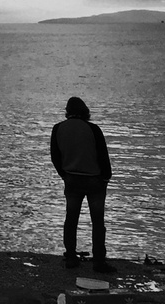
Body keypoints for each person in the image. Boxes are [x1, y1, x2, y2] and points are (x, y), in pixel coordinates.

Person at [50, 96, 114, 274]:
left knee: (71, 219)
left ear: (67, 111)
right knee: (98, 222)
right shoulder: (93, 129)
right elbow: (103, 156)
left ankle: (70, 257)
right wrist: (106, 177)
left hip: (71, 178)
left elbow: (55, 157)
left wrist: (64, 174)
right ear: (85, 111)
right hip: (95, 180)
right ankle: (99, 261)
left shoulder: (58, 129)